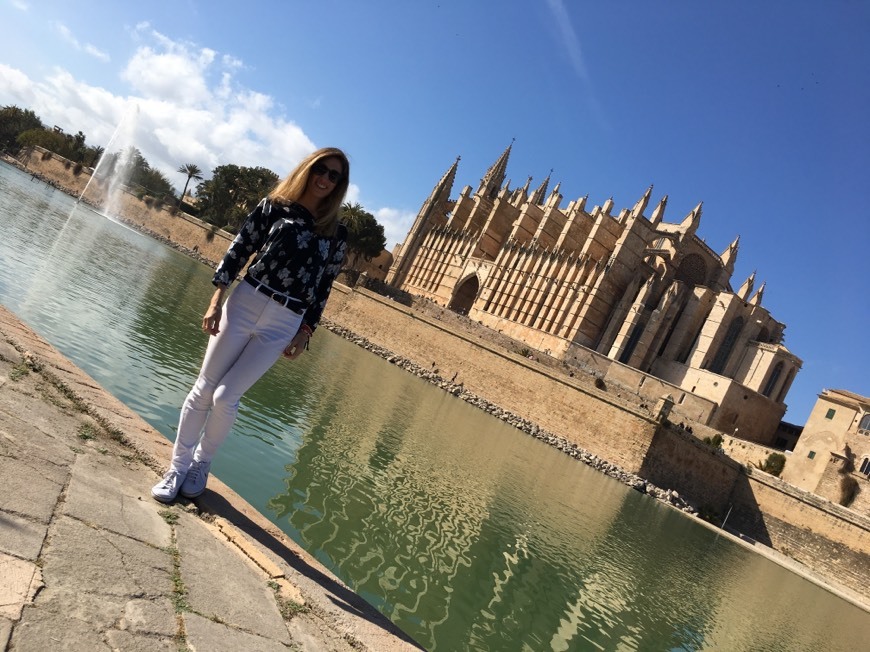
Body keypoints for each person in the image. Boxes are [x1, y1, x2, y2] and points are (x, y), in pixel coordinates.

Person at [151, 147, 350, 502]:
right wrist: (216, 300)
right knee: (204, 388)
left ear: (339, 185)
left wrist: (306, 331)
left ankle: (201, 464)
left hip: (285, 320)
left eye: (334, 176)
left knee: (227, 397)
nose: (325, 179)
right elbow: (240, 249)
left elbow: (324, 287)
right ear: (308, 168)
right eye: (321, 169)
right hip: (246, 301)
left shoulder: (337, 232)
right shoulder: (274, 205)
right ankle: (177, 467)